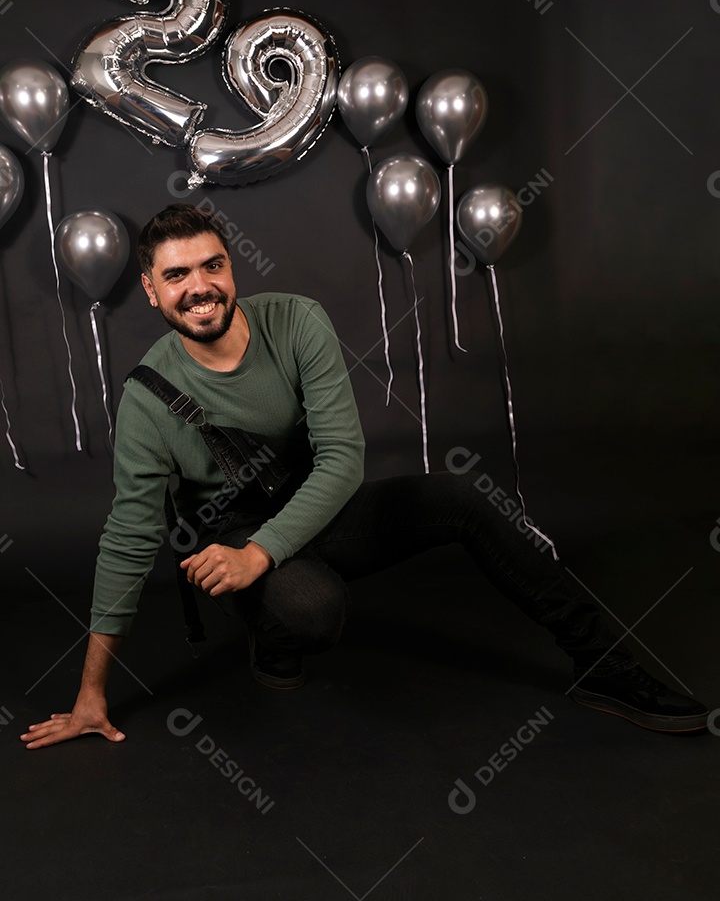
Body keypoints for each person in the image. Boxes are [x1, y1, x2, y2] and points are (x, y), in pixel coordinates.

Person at [21, 204, 709, 749]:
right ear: (151, 290)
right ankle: (272, 638)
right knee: (313, 610)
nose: (199, 286)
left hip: (318, 505)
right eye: (177, 276)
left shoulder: (297, 323)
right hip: (234, 535)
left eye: (213, 266)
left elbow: (342, 458)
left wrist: (269, 550)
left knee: (461, 495)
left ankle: (607, 669)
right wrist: (91, 694)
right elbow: (129, 537)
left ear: (232, 270)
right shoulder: (147, 395)